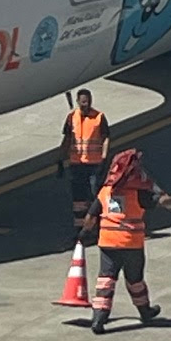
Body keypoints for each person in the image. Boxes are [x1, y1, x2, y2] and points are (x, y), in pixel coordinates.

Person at [78, 147, 171, 335]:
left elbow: (91, 216)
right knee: (135, 280)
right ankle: (145, 311)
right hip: (131, 243)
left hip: (107, 242)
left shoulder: (105, 191)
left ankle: (99, 317)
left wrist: (84, 233)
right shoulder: (138, 194)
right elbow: (162, 201)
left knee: (106, 279)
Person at [57, 88, 110, 238]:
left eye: (88, 102)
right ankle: (81, 231)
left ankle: (99, 226)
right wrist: (60, 159)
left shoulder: (99, 117)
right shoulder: (71, 118)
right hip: (77, 164)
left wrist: (104, 158)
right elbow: (67, 140)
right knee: (78, 199)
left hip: (94, 164)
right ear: (78, 102)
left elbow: (106, 137)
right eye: (83, 102)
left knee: (95, 194)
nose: (86, 105)